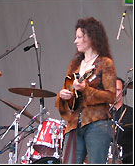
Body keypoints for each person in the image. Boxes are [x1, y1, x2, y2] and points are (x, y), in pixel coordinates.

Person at [55, 17, 117, 164]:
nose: (75, 41)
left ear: (91, 37)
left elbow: (111, 97)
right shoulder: (75, 64)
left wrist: (86, 90)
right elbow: (68, 90)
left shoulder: (105, 64)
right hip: (74, 124)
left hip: (97, 124)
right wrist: (63, 95)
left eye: (79, 37)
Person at [109, 77, 133, 164]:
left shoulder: (131, 113)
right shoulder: (101, 113)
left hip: (127, 158)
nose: (114, 93)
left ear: (123, 93)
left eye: (118, 90)